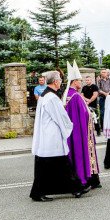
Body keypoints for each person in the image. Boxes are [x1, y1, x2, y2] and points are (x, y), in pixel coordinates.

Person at [29, 70, 85, 202]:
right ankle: (75, 188)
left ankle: (76, 188)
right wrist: (69, 126)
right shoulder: (52, 97)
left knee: (60, 165)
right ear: (55, 82)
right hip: (52, 136)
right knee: (60, 164)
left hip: (47, 134)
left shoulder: (45, 95)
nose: (61, 82)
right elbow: (60, 117)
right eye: (59, 80)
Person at [63, 63, 100, 189]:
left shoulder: (67, 94)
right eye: (79, 80)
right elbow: (84, 114)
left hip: (71, 131)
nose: (81, 82)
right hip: (80, 131)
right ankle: (86, 178)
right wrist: (91, 115)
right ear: (74, 82)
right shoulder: (76, 96)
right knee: (81, 153)